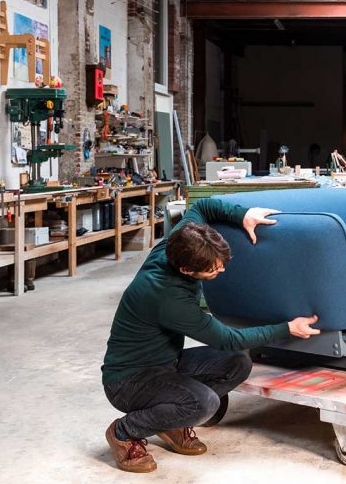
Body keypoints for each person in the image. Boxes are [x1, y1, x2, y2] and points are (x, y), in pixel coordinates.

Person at [102, 198, 320, 473]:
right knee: (205, 403)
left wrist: (243, 215)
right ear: (186, 270)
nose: (222, 270)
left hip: (165, 362)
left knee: (237, 363)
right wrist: (286, 328)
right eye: (213, 269)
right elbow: (230, 339)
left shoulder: (182, 238)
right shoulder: (166, 297)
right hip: (128, 381)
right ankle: (124, 432)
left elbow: (203, 206)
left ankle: (172, 420)